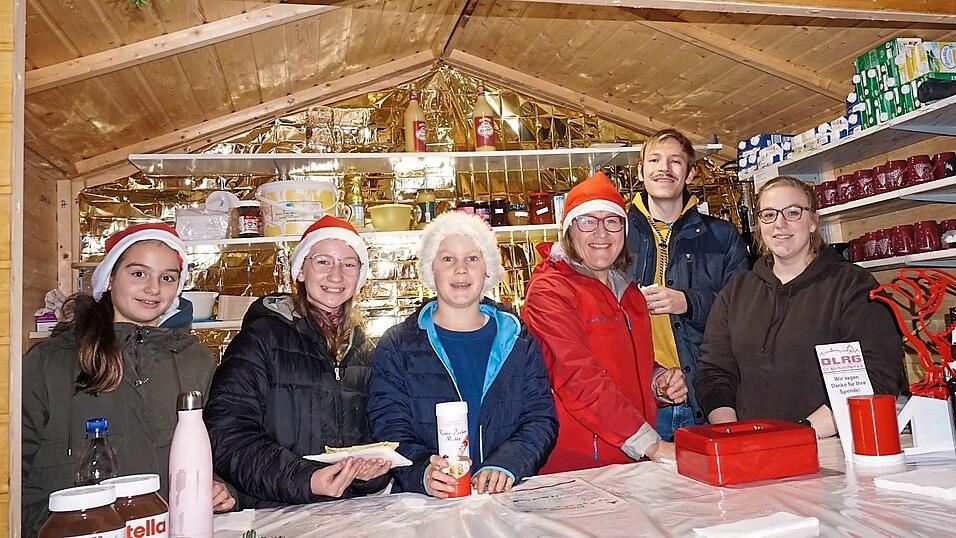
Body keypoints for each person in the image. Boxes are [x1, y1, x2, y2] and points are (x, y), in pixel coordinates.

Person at [21, 223, 235, 537]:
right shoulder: (49, 363)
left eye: (167, 278)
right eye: (138, 273)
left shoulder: (195, 361)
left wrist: (220, 489)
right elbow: (12, 476)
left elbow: (218, 452)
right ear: (109, 279)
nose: (153, 288)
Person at [204, 216, 392, 508]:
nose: (336, 275)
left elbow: (373, 441)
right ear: (301, 271)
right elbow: (226, 436)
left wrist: (369, 475)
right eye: (323, 262)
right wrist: (306, 479)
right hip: (273, 513)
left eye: (348, 264)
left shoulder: (366, 352)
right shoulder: (262, 338)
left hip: (346, 514)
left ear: (359, 277)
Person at [695, 176, 904, 436]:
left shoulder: (853, 285)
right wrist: (732, 433)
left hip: (828, 444)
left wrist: (799, 435)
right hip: (751, 445)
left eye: (793, 212)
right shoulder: (736, 292)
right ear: (759, 225)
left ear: (813, 221)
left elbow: (876, 374)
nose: (780, 224)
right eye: (769, 215)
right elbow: (714, 371)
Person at [368, 211, 557, 498]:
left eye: (472, 258)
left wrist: (505, 465)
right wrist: (422, 471)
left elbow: (540, 419)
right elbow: (389, 427)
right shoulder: (397, 346)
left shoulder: (518, 341)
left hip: (504, 497)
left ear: (488, 270)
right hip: (428, 504)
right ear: (430, 270)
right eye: (447, 259)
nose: (460, 269)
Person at [522, 171, 688, 473]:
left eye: (612, 221)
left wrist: (656, 381)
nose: (601, 233)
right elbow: (577, 377)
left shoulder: (629, 292)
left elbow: (626, 365)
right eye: (588, 221)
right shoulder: (550, 291)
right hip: (579, 466)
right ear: (569, 230)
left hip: (631, 460)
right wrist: (651, 445)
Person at [626, 129, 749, 440]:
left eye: (675, 161)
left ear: (691, 173)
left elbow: (744, 309)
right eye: (654, 160)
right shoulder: (616, 236)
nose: (664, 168)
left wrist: (689, 302)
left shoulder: (722, 236)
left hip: (705, 394)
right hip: (640, 399)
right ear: (640, 171)